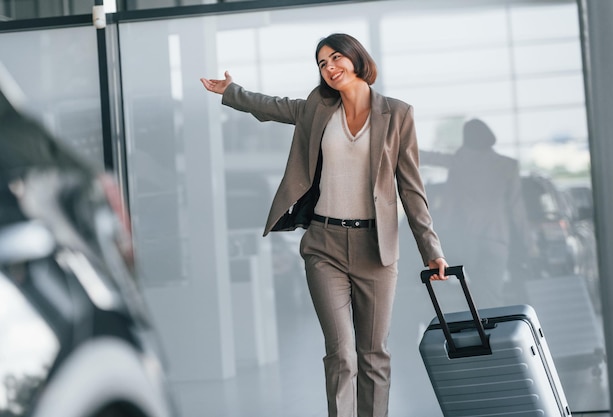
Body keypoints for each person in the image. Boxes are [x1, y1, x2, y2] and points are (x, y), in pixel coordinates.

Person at [201, 33, 447, 417]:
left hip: (375, 248)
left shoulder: (398, 114)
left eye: (335, 58)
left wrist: (431, 250)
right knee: (341, 353)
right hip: (324, 244)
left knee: (373, 355)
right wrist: (232, 92)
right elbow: (274, 107)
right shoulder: (319, 107)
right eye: (321, 63)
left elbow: (411, 189)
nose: (329, 67)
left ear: (356, 59)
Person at [421, 118, 531, 308]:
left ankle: (480, 330)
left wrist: (396, 142)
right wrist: (530, 244)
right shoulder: (508, 165)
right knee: (492, 294)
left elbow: (429, 157)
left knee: (475, 295)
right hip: (497, 240)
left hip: (467, 239)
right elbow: (517, 210)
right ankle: (495, 331)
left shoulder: (459, 162)